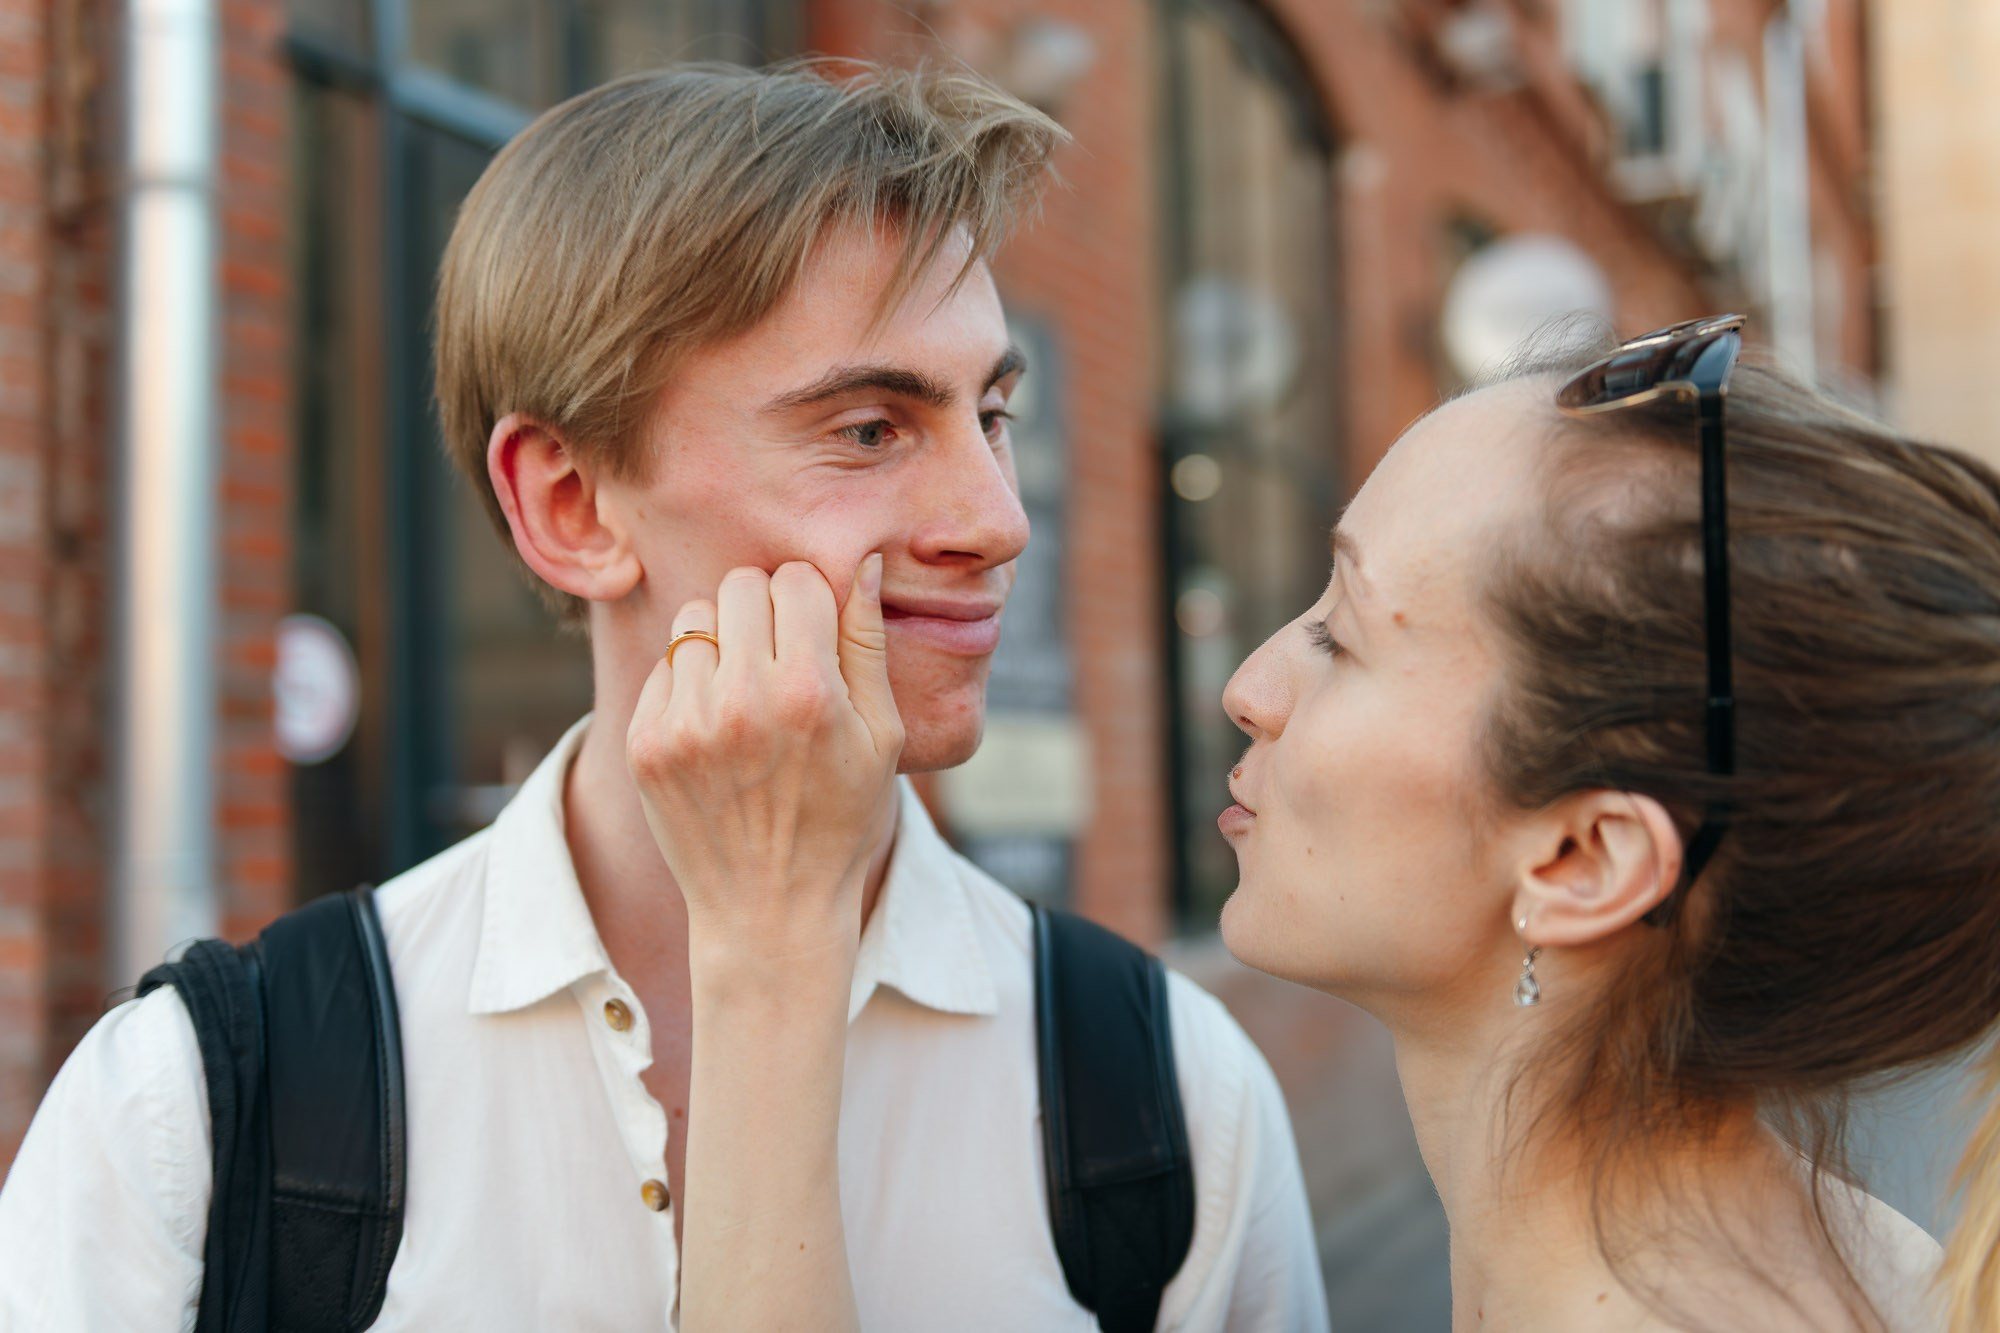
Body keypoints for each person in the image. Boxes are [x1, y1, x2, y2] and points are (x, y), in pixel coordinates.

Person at [0, 62, 1328, 1330]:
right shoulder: (194, 1110)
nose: (996, 520)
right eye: (869, 428)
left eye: (992, 415)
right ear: (571, 506)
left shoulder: (1163, 1094)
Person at [655, 316, 2000, 1332]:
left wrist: (771, 939)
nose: (1250, 685)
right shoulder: (1855, 1272)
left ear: (1583, 859)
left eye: (1343, 638)